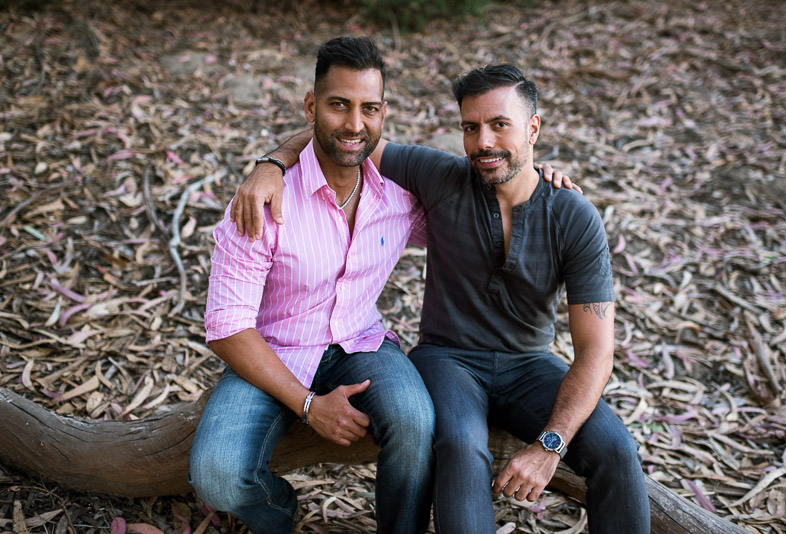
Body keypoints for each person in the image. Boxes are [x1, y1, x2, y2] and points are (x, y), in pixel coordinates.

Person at [234, 64, 650, 533]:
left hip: (529, 364)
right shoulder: (440, 176)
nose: (484, 142)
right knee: (459, 442)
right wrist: (270, 166)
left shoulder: (574, 217)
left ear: (533, 129)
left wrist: (549, 445)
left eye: (499, 125)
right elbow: (345, 135)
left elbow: (596, 352)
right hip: (448, 360)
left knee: (616, 448)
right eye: (470, 128)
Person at [188, 36, 437, 534]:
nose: (354, 124)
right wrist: (308, 406)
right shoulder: (262, 202)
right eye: (338, 105)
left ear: (384, 113)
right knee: (215, 476)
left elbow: (480, 207)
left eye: (369, 108)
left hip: (360, 341)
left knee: (416, 421)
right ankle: (280, 516)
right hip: (271, 350)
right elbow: (227, 327)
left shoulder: (401, 193)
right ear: (311, 106)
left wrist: (542, 179)